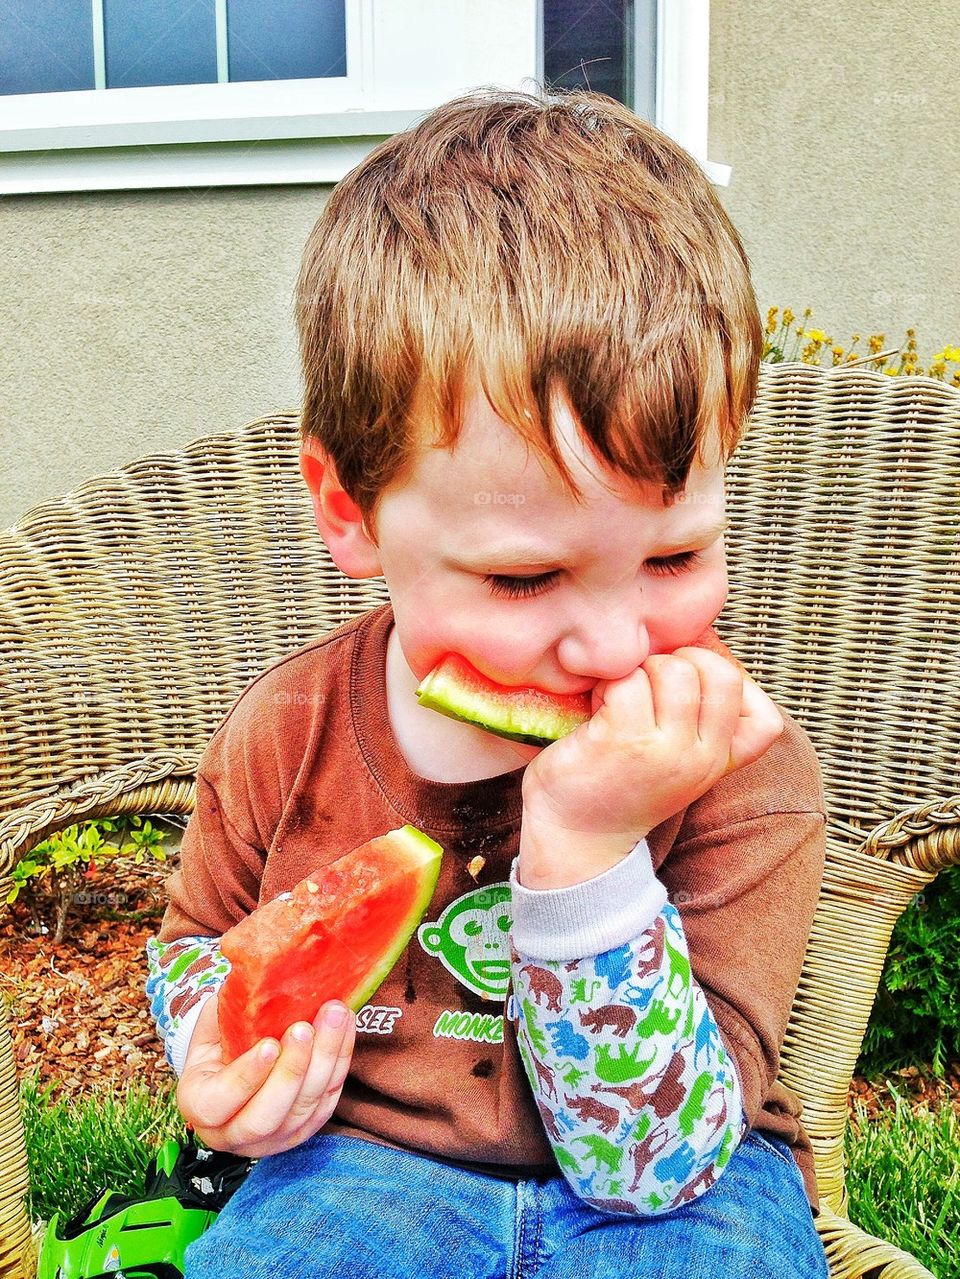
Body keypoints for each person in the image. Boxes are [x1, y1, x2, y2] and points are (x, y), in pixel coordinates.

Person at [145, 84, 831, 1278]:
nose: (616, 647)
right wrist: (221, 1058)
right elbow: (204, 946)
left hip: (691, 1192)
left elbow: (652, 1165)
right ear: (349, 514)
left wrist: (583, 849)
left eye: (674, 555)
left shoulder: (747, 771)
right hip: (360, 1164)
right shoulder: (289, 729)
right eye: (524, 580)